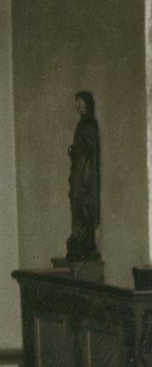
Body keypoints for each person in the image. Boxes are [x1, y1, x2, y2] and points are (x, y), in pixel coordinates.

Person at [66, 91, 101, 261]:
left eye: (80, 102)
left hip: (84, 173)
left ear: (87, 104)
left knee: (81, 202)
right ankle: (78, 235)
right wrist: (74, 151)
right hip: (78, 169)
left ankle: (83, 237)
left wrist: (78, 153)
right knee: (75, 201)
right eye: (77, 102)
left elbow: (90, 152)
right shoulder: (83, 123)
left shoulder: (89, 124)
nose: (78, 105)